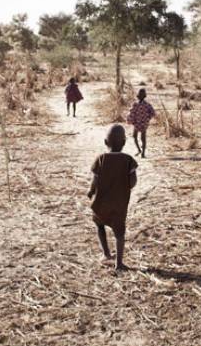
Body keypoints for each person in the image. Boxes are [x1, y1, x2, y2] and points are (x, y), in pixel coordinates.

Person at [87, 124, 138, 271]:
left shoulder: (100, 159)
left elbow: (94, 181)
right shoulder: (128, 160)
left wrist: (90, 191)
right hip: (119, 203)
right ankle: (119, 263)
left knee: (99, 224)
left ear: (105, 142)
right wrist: (126, 184)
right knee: (119, 232)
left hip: (101, 202)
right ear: (124, 142)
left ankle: (106, 254)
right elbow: (133, 182)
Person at [127, 89, 155, 158]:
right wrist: (148, 118)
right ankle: (143, 153)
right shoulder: (148, 105)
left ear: (138, 96)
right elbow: (153, 113)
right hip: (144, 123)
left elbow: (131, 114)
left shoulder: (135, 104)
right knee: (143, 138)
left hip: (137, 123)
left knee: (134, 136)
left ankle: (139, 150)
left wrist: (129, 120)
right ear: (145, 96)